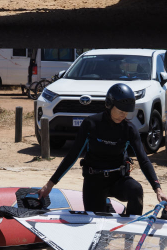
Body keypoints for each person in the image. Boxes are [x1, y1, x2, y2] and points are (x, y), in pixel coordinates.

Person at [39, 82, 166, 216]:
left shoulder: (129, 129)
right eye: (120, 111)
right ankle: (105, 206)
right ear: (109, 104)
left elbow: (143, 159)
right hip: (94, 181)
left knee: (136, 189)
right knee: (95, 221)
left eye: (127, 112)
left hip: (118, 179)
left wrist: (158, 189)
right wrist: (50, 184)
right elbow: (72, 155)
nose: (124, 115)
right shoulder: (91, 124)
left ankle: (129, 231)